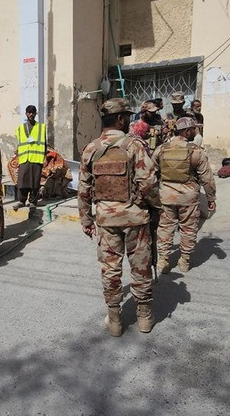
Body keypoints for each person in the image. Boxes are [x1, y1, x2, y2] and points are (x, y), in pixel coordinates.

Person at [78, 98, 161, 337]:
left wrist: (86, 220)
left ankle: (114, 320)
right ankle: (144, 318)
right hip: (136, 219)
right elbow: (148, 182)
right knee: (141, 267)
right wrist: (157, 207)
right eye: (128, 117)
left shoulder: (91, 149)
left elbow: (83, 189)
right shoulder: (135, 145)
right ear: (121, 119)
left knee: (110, 269)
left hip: (106, 221)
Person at [152, 117, 216, 274]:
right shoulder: (196, 151)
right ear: (187, 131)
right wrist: (211, 198)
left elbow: (150, 173)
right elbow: (207, 178)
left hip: (166, 197)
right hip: (188, 198)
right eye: (193, 129)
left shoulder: (161, 149)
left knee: (165, 228)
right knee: (188, 229)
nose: (195, 131)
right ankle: (184, 261)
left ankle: (163, 261)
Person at [14, 105, 46, 209]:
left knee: (35, 182)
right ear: (26, 114)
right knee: (22, 181)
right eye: (29, 112)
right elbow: (19, 143)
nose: (31, 114)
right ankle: (21, 200)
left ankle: (33, 201)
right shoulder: (20, 128)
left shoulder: (41, 127)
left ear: (36, 113)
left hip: (36, 158)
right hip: (24, 158)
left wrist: (44, 157)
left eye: (32, 112)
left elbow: (44, 144)